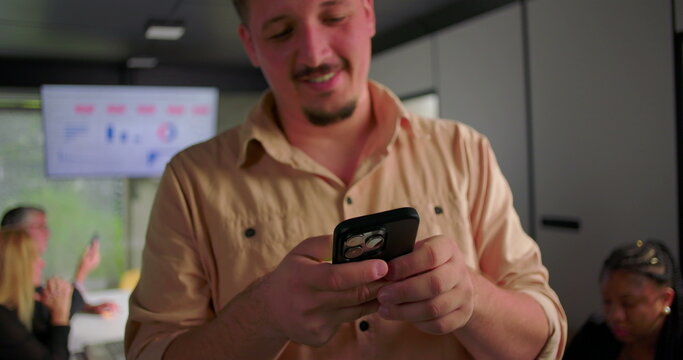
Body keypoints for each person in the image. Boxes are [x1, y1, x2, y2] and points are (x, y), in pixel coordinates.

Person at [125, 0, 567, 359]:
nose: (315, 54)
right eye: (281, 32)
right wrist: (263, 315)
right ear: (251, 45)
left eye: (334, 16)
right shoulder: (190, 181)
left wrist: (472, 297)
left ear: (369, 13)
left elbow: (543, 337)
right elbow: (151, 349)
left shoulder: (465, 152)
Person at [564, 239, 682, 359]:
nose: (615, 316)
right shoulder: (594, 336)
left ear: (665, 299)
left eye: (628, 303)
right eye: (607, 301)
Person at [0, 206, 118, 317]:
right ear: (17, 232)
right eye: (41, 227)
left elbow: (48, 302)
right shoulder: (11, 275)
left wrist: (86, 307)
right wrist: (81, 273)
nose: (48, 234)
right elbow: (47, 317)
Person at [0, 227, 74, 360]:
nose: (42, 263)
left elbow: (38, 348)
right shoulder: (3, 319)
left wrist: (53, 310)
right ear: (16, 267)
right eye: (34, 257)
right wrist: (60, 316)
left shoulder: (12, 307)